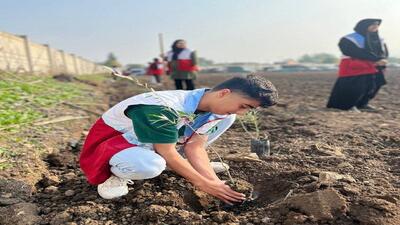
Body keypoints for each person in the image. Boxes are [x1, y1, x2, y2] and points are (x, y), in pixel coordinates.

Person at [79, 74, 278, 204]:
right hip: (114, 145)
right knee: (151, 165)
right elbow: (167, 151)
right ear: (224, 93)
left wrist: (214, 182)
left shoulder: (220, 112)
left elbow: (195, 146)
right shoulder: (162, 107)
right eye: (244, 106)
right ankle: (116, 175)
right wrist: (202, 183)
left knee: (226, 120)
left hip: (158, 145)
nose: (242, 113)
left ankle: (184, 166)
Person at [327, 18, 388, 112]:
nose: (375, 27)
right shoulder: (350, 38)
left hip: (374, 65)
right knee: (356, 86)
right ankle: (346, 106)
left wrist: (382, 59)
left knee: (373, 85)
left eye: (377, 25)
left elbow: (384, 52)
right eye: (372, 24)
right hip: (354, 65)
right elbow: (351, 51)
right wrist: (375, 59)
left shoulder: (379, 39)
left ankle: (362, 104)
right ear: (363, 26)